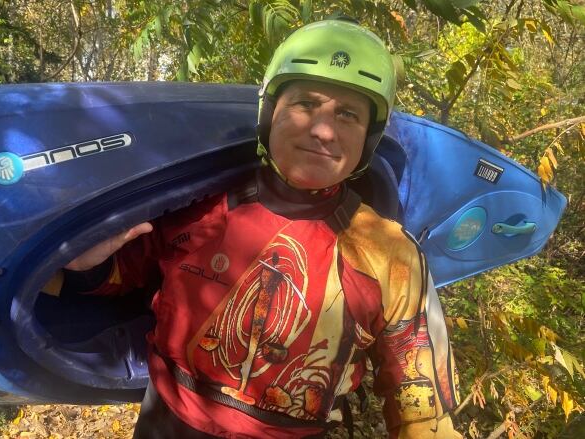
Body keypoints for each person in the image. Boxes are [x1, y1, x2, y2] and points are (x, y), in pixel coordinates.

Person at [58, 18, 461, 438]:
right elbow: (124, 277)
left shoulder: (389, 254)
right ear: (270, 113)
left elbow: (422, 413)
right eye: (305, 103)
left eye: (348, 114)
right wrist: (88, 265)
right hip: (166, 424)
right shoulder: (199, 204)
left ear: (368, 138)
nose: (323, 130)